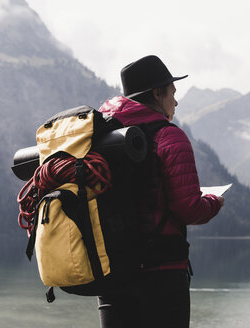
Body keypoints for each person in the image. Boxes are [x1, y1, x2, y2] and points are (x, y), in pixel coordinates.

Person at [96, 55, 224, 328]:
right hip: (161, 274)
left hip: (112, 271)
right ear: (157, 93)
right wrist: (214, 201)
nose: (175, 102)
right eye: (172, 93)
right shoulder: (169, 136)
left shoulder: (102, 136)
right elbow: (188, 208)